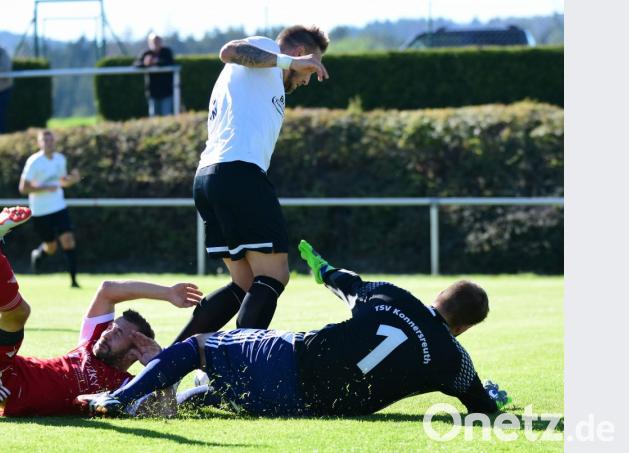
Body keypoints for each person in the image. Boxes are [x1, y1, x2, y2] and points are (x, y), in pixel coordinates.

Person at [79, 240, 511, 418]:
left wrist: (322, 269)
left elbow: (347, 283)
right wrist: (488, 395)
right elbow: (484, 412)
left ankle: (120, 398)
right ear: (465, 328)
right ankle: (176, 401)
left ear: (437, 298)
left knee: (199, 347)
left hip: (290, 361)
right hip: (307, 407)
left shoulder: (394, 297)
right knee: (221, 390)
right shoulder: (454, 361)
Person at [0, 206, 202, 417]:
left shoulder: (124, 387)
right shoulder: (92, 343)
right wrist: (167, 294)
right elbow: (108, 289)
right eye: (111, 326)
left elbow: (164, 412)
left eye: (118, 333)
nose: (108, 330)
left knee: (17, 313)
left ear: (136, 350)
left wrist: (160, 370)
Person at [174, 25, 330, 344]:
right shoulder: (267, 52)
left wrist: (286, 65)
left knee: (245, 284)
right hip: (238, 174)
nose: (307, 78)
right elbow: (228, 52)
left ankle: (161, 372)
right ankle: (242, 373)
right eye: (311, 68)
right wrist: (289, 63)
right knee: (273, 276)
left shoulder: (263, 76)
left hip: (211, 178)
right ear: (300, 54)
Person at [19, 129, 82, 287]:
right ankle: (38, 255)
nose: (48, 143)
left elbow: (61, 182)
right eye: (44, 140)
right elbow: (23, 188)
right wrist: (45, 188)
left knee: (68, 240)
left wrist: (73, 180)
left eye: (50, 140)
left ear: (54, 142)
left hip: (59, 207)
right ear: (40, 143)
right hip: (40, 211)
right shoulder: (34, 161)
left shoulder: (60, 159)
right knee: (51, 246)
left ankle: (74, 281)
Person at [134, 33, 176, 117]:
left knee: (166, 117)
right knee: (153, 118)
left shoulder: (166, 52)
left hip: (166, 91)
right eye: (153, 42)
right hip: (152, 92)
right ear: (149, 43)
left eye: (157, 41)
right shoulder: (146, 53)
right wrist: (145, 63)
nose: (156, 44)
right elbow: (136, 64)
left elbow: (170, 62)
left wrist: (156, 62)